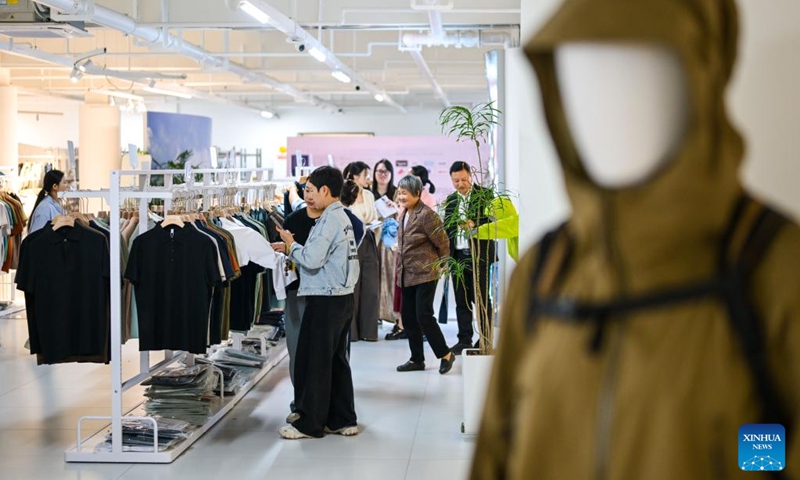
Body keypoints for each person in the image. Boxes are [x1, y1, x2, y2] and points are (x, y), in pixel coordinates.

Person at [471, 1, 800, 479]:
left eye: (647, 66)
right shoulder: (547, 271)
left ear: (702, 82)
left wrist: (752, 455)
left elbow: (772, 449)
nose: (610, 103)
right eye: (581, 75)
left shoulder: (773, 271)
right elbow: (496, 457)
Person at [276, 166, 360, 440]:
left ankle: (308, 424)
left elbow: (312, 259)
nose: (307, 195)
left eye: (310, 190)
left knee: (314, 362)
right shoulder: (343, 217)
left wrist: (290, 245)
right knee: (336, 360)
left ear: (325, 190)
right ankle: (341, 419)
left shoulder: (329, 221)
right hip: (342, 296)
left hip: (325, 297)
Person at [394, 175, 455, 374]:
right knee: (409, 317)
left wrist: (444, 263)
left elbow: (443, 242)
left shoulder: (427, 215)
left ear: (418, 194)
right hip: (407, 273)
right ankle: (416, 359)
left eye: (405, 193)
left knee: (424, 315)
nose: (401, 196)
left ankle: (445, 354)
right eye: (400, 192)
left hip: (426, 273)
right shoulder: (404, 213)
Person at [443, 161, 497, 355]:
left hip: (479, 257)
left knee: (482, 299)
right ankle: (464, 339)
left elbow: (494, 222)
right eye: (456, 180)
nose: (460, 184)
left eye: (464, 179)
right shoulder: (450, 201)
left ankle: (485, 339)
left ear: (471, 177)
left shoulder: (485, 195)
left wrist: (475, 224)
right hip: (458, 257)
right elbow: (446, 230)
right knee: (461, 301)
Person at [343, 162, 380, 342]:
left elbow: (373, 217)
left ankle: (369, 331)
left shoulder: (369, 195)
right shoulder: (344, 193)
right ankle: (353, 333)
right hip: (350, 242)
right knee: (353, 287)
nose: (368, 178)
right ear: (355, 176)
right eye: (366, 174)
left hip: (369, 240)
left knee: (371, 288)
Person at [372, 159, 406, 341]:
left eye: (386, 171)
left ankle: (398, 321)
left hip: (392, 245)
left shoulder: (396, 194)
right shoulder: (368, 194)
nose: (382, 174)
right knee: (374, 282)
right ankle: (374, 318)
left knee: (394, 282)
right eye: (379, 170)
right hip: (372, 243)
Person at [28, 169, 68, 233]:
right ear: (55, 186)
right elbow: (37, 237)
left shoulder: (55, 205)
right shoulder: (44, 208)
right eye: (64, 182)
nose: (67, 186)